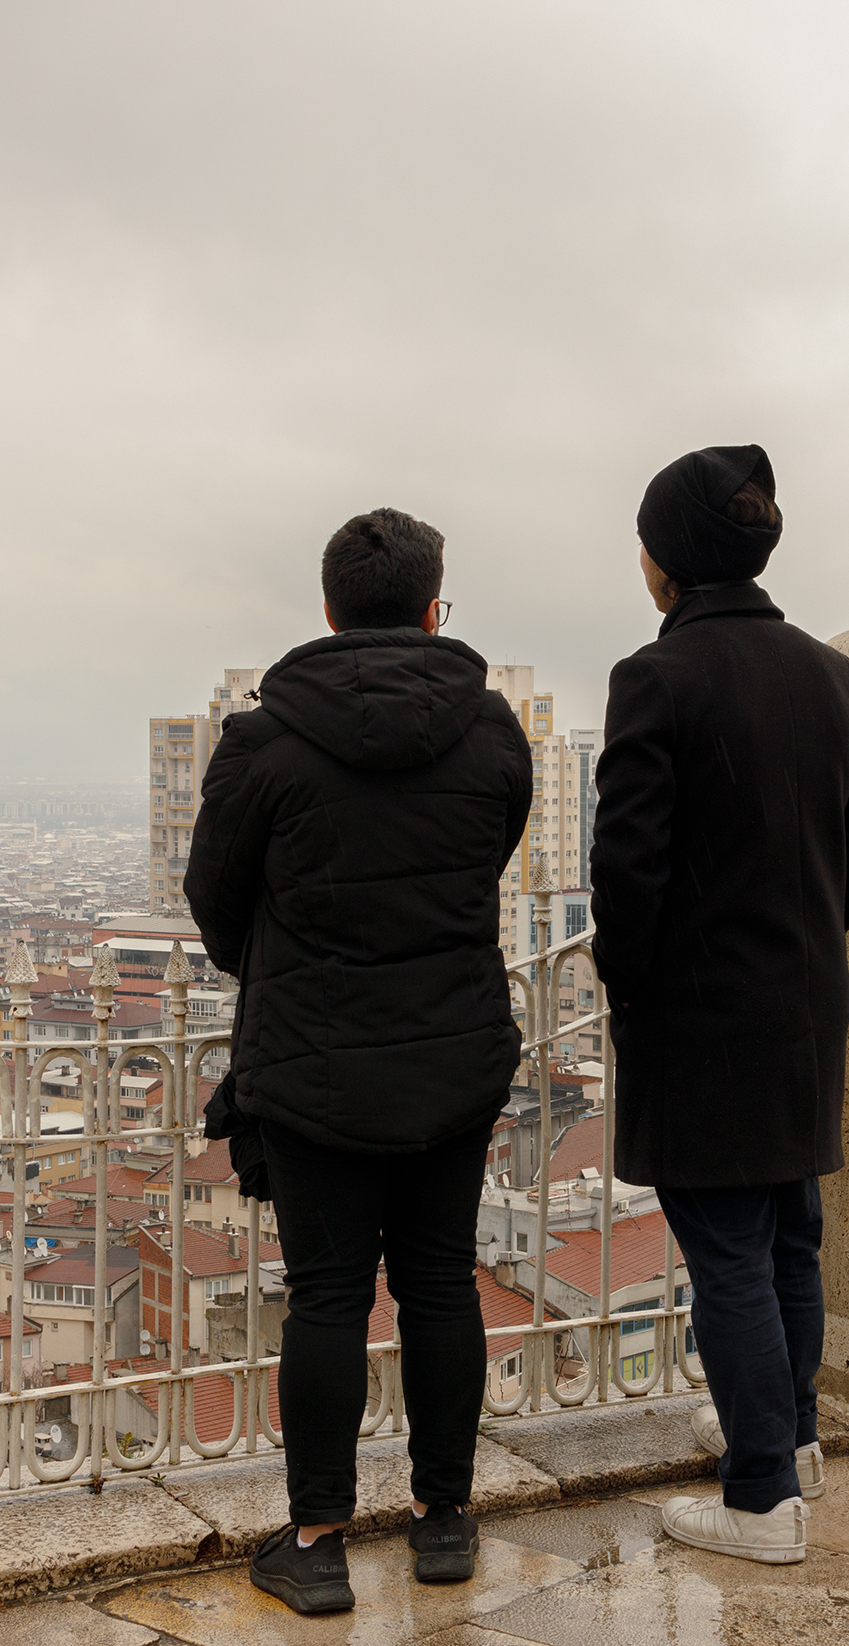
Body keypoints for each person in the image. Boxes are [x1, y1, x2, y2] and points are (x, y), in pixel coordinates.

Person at [187, 507, 532, 1616]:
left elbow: (214, 901)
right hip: (452, 1054)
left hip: (314, 1063)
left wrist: (289, 959)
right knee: (440, 1280)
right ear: (433, 610)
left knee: (327, 1297)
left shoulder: (264, 743)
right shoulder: (492, 731)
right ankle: (444, 1521)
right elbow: (484, 859)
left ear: (330, 613)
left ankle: (318, 1542)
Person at [590, 443, 849, 1566]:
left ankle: (761, 1499)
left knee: (726, 1250)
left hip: (701, 1017)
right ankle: (793, 1442)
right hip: (804, 1008)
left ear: (666, 558)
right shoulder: (833, 675)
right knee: (789, 1237)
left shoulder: (656, 678)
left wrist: (636, 979)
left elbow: (627, 871)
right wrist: (801, 933)